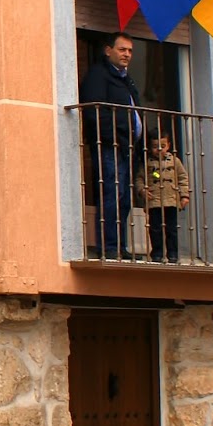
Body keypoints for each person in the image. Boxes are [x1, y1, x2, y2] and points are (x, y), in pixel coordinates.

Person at [79, 31, 142, 259]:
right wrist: (113, 138)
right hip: (111, 147)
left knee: (124, 199)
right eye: (122, 49)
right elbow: (95, 111)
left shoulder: (125, 78)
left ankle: (120, 246)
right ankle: (110, 247)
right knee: (111, 196)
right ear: (108, 50)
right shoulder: (99, 75)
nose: (127, 54)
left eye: (130, 51)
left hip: (127, 148)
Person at [141, 134, 190, 262]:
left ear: (168, 146)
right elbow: (139, 179)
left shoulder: (175, 161)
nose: (159, 149)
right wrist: (142, 190)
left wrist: (184, 195)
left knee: (172, 229)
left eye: (162, 146)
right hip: (154, 200)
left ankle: (173, 253)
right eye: (155, 147)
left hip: (171, 199)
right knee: (155, 228)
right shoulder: (147, 162)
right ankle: (157, 252)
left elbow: (183, 178)